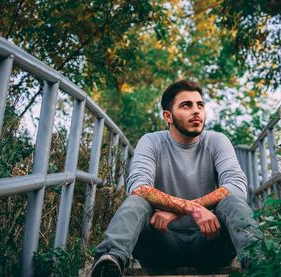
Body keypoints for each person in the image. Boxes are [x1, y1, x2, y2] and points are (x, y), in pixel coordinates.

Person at [92, 80, 262, 276]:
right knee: (137, 202)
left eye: (200, 105)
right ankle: (109, 261)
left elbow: (236, 186)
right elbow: (139, 187)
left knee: (231, 200)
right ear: (168, 116)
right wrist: (193, 209)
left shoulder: (217, 141)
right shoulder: (151, 142)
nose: (196, 111)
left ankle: (260, 261)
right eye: (186, 105)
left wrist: (180, 211)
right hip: (161, 243)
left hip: (210, 240)